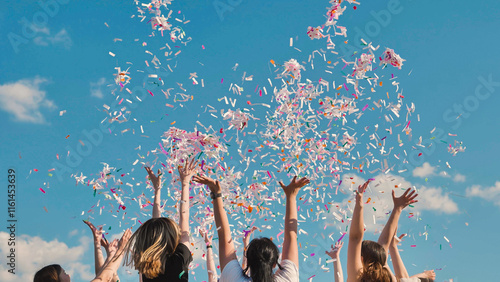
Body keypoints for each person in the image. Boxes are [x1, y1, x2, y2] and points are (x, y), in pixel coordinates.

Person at [193, 174, 308, 282]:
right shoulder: (288, 278)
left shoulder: (235, 279)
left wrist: (216, 194)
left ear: (248, 261)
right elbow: (291, 237)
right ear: (274, 264)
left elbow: (224, 236)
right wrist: (291, 196)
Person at [123, 158, 197, 281]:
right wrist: (185, 183)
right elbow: (184, 219)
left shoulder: (146, 267)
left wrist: (157, 190)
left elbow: (155, 229)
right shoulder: (179, 259)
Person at [347, 180, 418, 282]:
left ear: (361, 259)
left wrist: (359, 203)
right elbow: (384, 243)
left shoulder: (357, 278)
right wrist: (398, 209)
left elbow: (355, 238)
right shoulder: (390, 279)